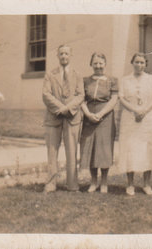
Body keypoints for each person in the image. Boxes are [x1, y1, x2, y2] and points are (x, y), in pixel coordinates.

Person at [118, 52, 152, 196]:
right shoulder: (125, 80)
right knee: (130, 149)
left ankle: (147, 184)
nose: (139, 65)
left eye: (142, 63)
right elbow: (121, 98)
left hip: (148, 118)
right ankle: (130, 185)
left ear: (145, 64)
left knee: (148, 149)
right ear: (132, 63)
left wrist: (144, 110)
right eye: (136, 62)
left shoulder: (151, 79)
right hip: (130, 118)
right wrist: (135, 110)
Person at [42, 44, 84, 193]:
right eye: (61, 54)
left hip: (72, 118)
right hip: (54, 117)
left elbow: (80, 95)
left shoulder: (77, 74)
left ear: (70, 55)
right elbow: (46, 94)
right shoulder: (50, 74)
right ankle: (51, 183)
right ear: (57, 56)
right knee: (52, 151)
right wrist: (60, 108)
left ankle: (72, 184)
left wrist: (67, 108)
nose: (64, 56)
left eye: (66, 53)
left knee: (72, 151)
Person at [80, 53, 119, 194]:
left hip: (106, 117)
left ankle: (104, 182)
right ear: (91, 64)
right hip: (89, 116)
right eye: (95, 63)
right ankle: (93, 181)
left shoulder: (112, 80)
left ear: (105, 64)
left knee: (104, 149)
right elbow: (81, 99)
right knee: (91, 148)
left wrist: (101, 114)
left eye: (100, 63)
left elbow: (114, 99)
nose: (98, 66)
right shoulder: (85, 81)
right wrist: (88, 114)